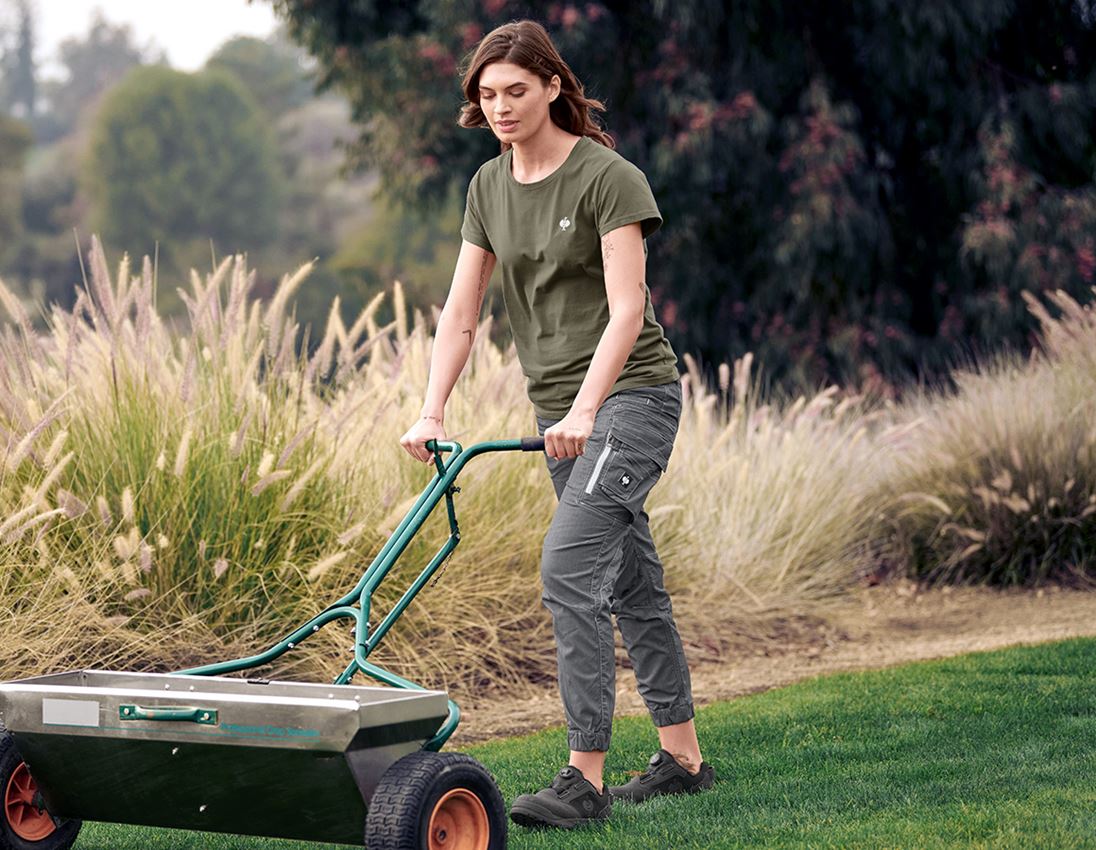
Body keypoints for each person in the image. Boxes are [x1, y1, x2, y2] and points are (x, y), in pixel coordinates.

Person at [399, 19, 714, 829]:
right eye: (486, 95)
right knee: (632, 579)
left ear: (551, 86)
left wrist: (585, 408)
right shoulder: (488, 187)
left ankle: (584, 780)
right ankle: (683, 760)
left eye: (515, 90)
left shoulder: (608, 178)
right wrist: (431, 408)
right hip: (561, 414)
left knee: (569, 569)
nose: (500, 107)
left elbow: (627, 309)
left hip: (631, 399)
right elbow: (462, 313)